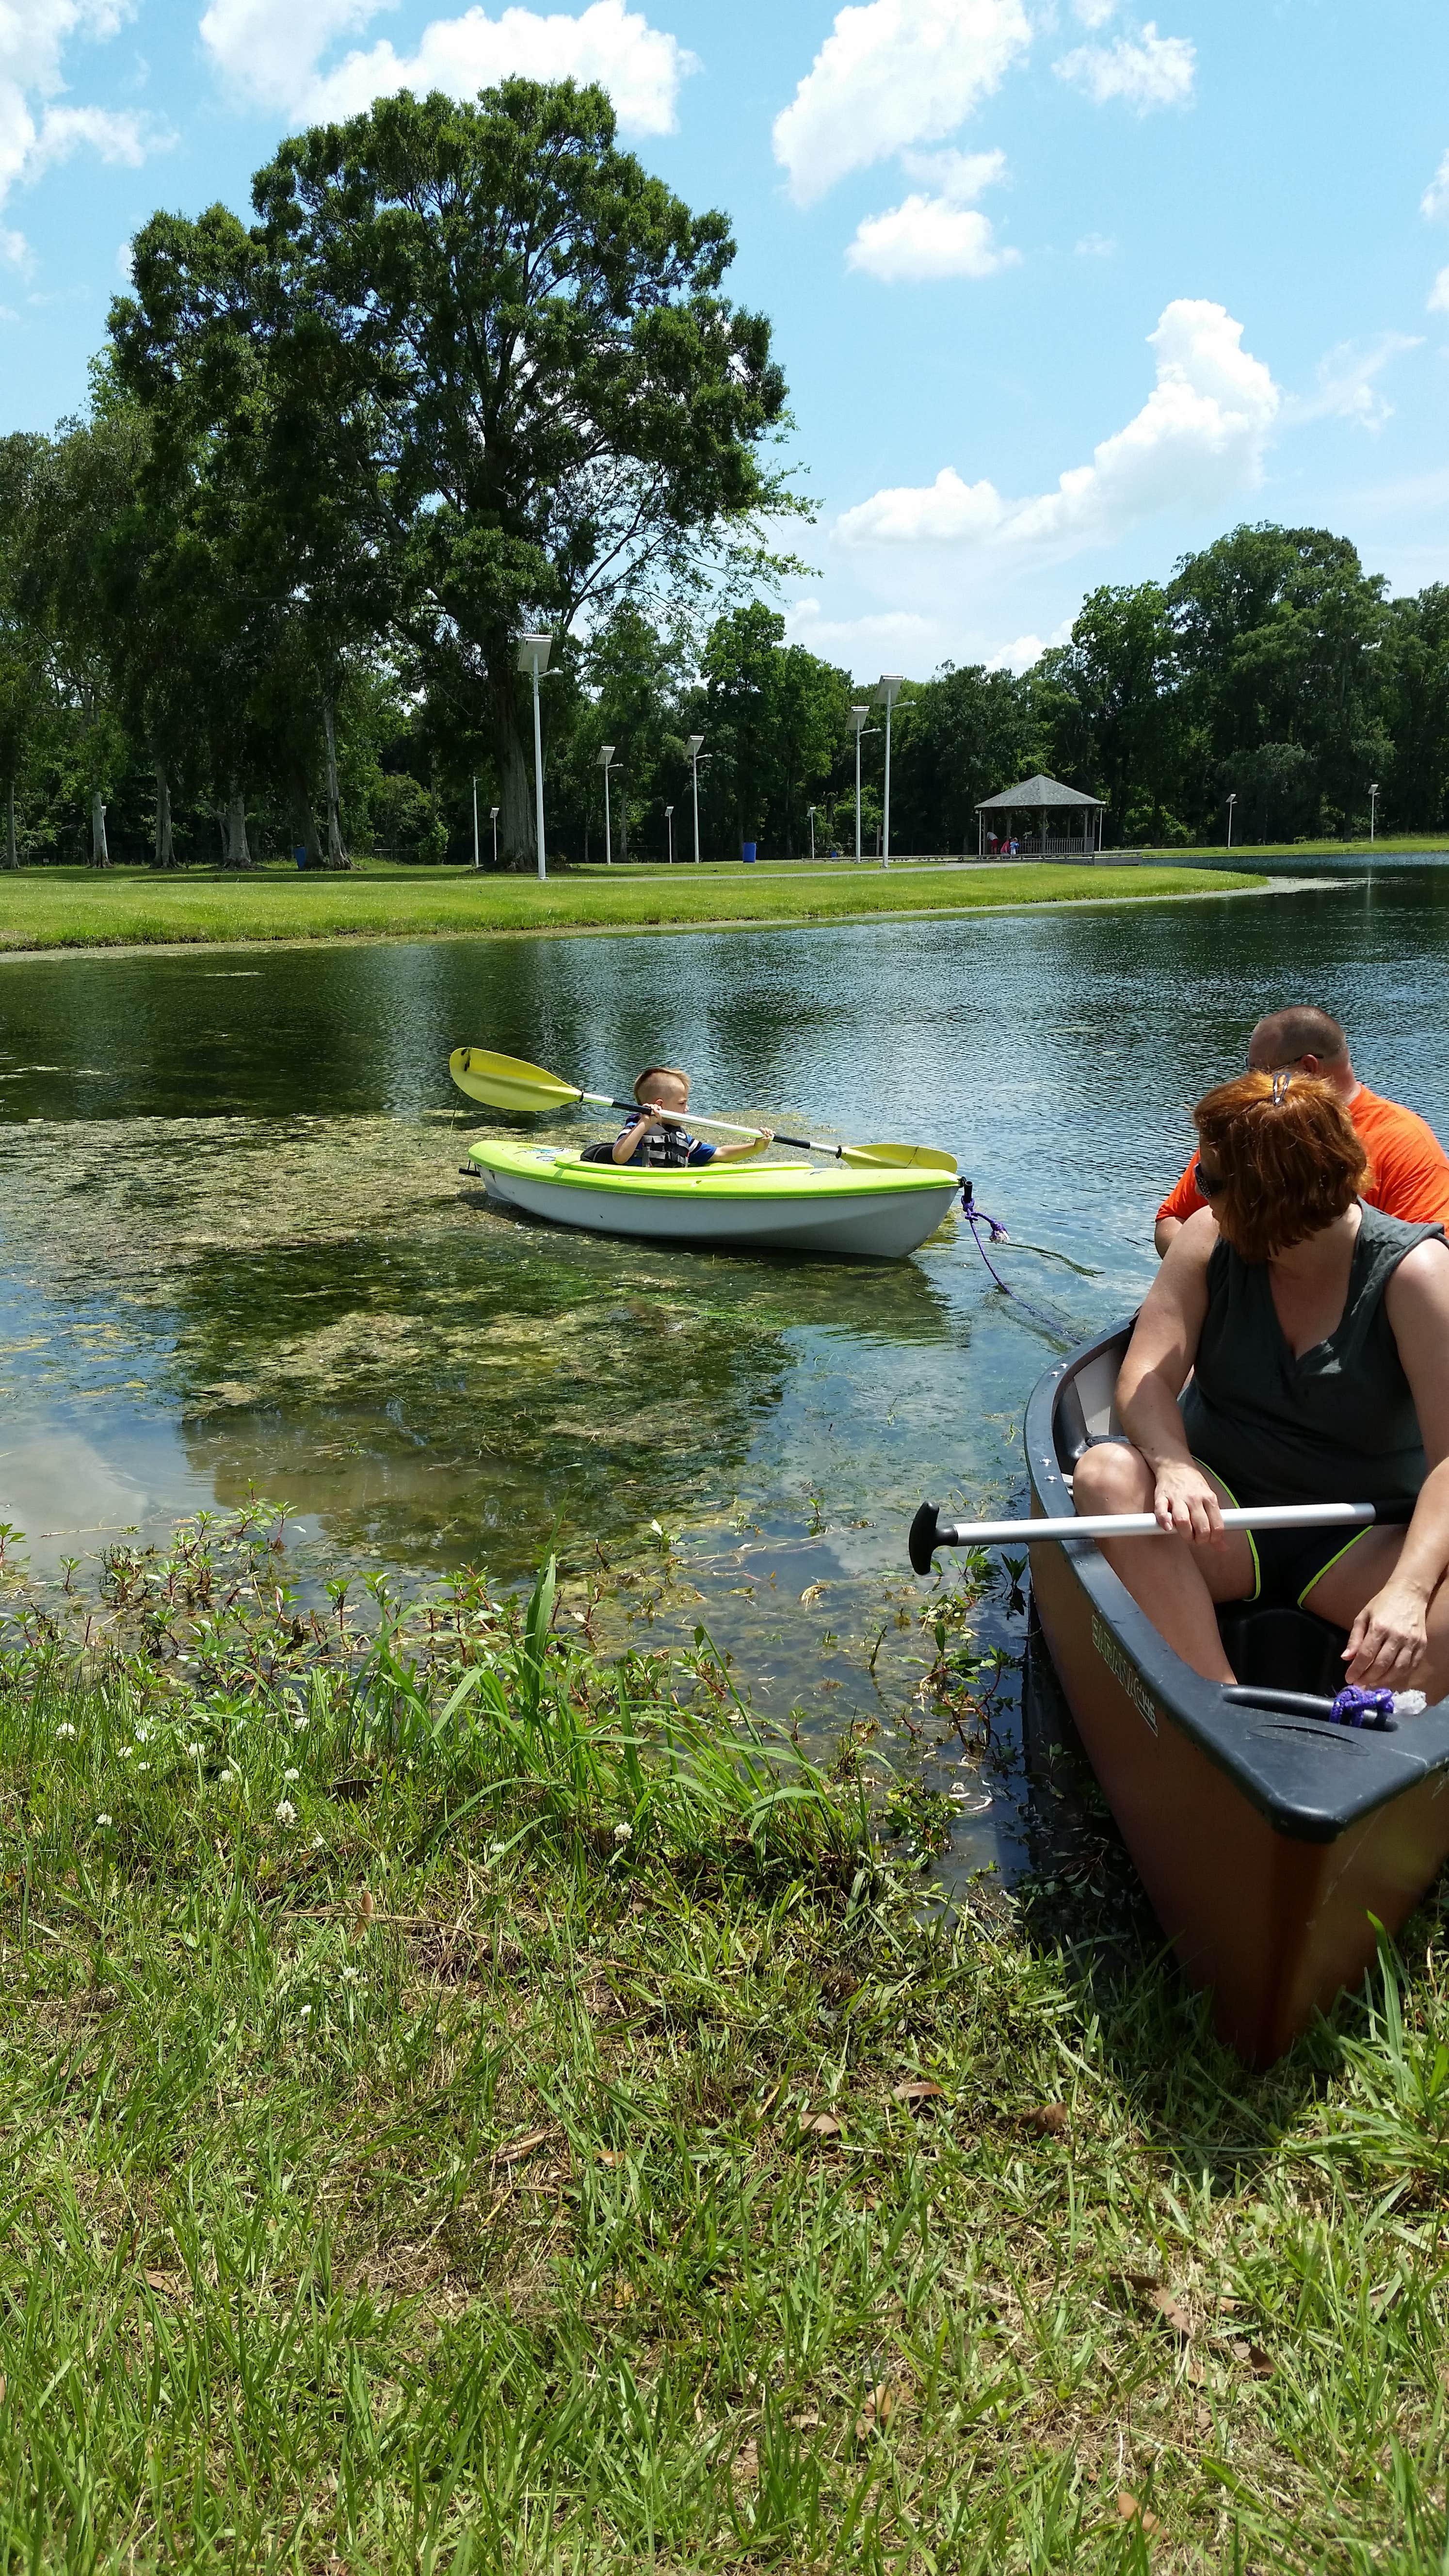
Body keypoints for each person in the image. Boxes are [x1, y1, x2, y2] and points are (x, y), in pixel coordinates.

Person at [1075, 1070, 1449, 1695]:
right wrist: (1172, 1465)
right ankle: (1215, 1705)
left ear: (1271, 1193)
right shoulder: (1206, 1238)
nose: (1199, 1190)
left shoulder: (1417, 1276)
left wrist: (1410, 1589)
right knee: (1105, 1474)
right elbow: (1145, 1376)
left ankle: (1382, 1746)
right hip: (1220, 1518)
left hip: (1362, 1533)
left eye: (1213, 1180)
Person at [1155, 1006, 1449, 1256]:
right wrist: (1232, 1278)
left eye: (1260, 1071)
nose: (1249, 1082)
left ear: (1308, 1069)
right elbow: (1173, 1219)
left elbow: (1433, 1255)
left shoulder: (1403, 1142)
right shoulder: (1246, 1125)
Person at [611, 1065, 772, 1169]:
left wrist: (754, 1148)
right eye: (682, 1103)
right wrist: (644, 1124)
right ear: (660, 1105)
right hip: (639, 1187)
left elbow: (721, 1153)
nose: (687, 1109)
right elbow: (619, 1157)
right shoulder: (636, 1126)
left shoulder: (681, 1137)